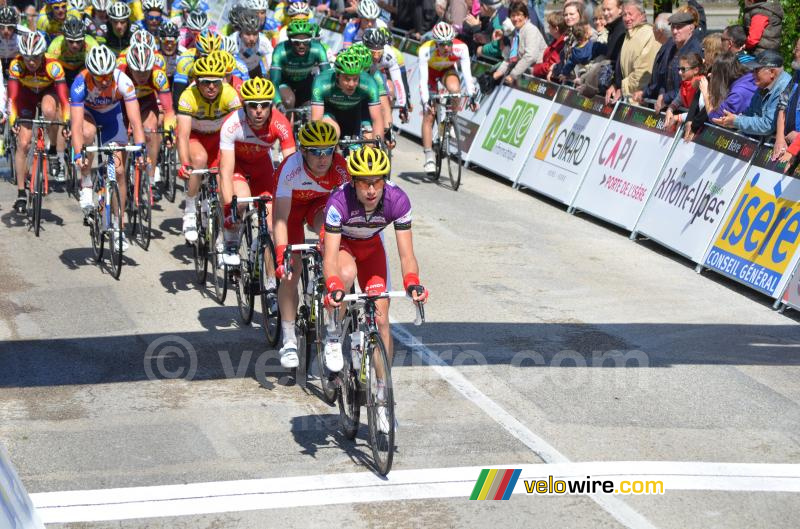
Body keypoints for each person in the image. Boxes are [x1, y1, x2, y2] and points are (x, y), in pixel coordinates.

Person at [322, 145, 428, 432]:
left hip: (371, 249)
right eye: (365, 183)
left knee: (381, 321)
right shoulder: (338, 202)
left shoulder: (397, 200)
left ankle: (382, 398)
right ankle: (333, 333)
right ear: (353, 182)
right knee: (345, 273)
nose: (371, 190)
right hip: (341, 246)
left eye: (377, 181)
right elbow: (330, 259)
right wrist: (332, 285)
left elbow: (407, 255)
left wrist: (412, 281)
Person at [272, 120, 350, 369]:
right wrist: (282, 254)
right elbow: (281, 218)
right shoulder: (290, 168)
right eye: (316, 151)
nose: (323, 157)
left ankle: (331, 325)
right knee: (291, 272)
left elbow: (342, 213)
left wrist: (328, 240)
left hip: (319, 206)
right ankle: (289, 338)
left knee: (331, 237)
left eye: (328, 150)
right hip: (291, 212)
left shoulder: (340, 169)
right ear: (303, 151)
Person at [70, 44, 147, 252]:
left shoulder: (123, 81)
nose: (104, 81)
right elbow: (75, 126)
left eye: (107, 76)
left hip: (113, 118)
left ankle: (118, 225)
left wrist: (140, 148)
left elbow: (135, 120)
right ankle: (86, 181)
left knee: (120, 171)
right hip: (89, 115)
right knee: (87, 133)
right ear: (90, 73)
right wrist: (78, 153)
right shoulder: (80, 83)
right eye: (99, 77)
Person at [218, 77, 296, 265]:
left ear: (271, 106)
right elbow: (226, 172)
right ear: (244, 106)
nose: (259, 111)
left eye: (264, 105)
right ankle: (230, 239)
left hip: (262, 168)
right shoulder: (232, 124)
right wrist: (230, 209)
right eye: (253, 105)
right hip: (238, 166)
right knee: (241, 199)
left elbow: (292, 166)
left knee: (271, 225)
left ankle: (267, 278)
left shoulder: (280, 123)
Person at [175, 52, 242, 243]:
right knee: (198, 160)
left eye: (216, 82)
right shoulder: (188, 95)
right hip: (196, 138)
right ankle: (189, 208)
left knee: (224, 181)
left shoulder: (230, 94)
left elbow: (239, 127)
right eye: (205, 82)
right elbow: (183, 134)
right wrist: (184, 163)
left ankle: (223, 233)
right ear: (196, 81)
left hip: (220, 138)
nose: (211, 87)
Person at [9, 31, 70, 215]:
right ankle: (21, 193)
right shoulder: (17, 66)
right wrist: (13, 120)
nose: (31, 62)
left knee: (50, 111)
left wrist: (66, 121)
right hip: (25, 96)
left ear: (42, 54)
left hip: (47, 92)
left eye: (35, 57)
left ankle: (52, 150)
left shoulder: (54, 67)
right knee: (23, 143)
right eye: (27, 57)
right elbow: (12, 99)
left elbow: (64, 100)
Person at [118, 42, 175, 203]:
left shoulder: (158, 76)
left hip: (146, 103)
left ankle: (150, 179)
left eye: (146, 72)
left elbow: (169, 109)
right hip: (122, 103)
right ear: (130, 67)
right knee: (121, 138)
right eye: (138, 71)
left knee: (151, 130)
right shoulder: (120, 73)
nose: (142, 76)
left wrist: (170, 131)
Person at [418, 21, 477, 174]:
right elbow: (422, 80)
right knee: (429, 115)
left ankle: (449, 122)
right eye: (442, 44)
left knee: (456, 90)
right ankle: (429, 156)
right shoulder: (425, 50)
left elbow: (467, 76)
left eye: (448, 43)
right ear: (435, 43)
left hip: (447, 71)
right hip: (430, 75)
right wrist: (426, 101)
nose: (446, 48)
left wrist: (472, 96)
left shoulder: (461, 48)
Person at [310, 48, 384, 141]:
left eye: (355, 79)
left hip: (354, 112)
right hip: (330, 112)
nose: (351, 84)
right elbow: (316, 120)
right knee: (332, 134)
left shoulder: (369, 83)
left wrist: (378, 148)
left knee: (368, 143)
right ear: (337, 75)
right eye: (346, 79)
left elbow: (377, 119)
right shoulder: (322, 81)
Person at [712, 49, 790, 137]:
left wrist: (736, 121)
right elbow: (750, 113)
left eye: (756, 70)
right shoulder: (763, 84)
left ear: (772, 72)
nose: (753, 74)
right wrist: (731, 121)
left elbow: (767, 126)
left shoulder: (784, 88)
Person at [605, 1, 659, 104]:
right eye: (624, 15)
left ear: (642, 15)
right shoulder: (629, 33)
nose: (626, 18)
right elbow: (621, 67)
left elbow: (643, 71)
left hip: (639, 101)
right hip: (626, 98)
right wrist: (615, 85)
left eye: (630, 14)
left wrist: (622, 87)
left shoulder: (649, 34)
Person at [270, 18, 329, 111]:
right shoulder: (280, 50)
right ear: (289, 40)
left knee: (310, 109)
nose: (301, 46)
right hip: (285, 82)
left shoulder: (318, 49)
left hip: (305, 82)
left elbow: (327, 77)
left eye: (306, 42)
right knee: (288, 102)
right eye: (296, 42)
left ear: (311, 40)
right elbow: (274, 82)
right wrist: (278, 103)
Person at [491, 2, 545, 86]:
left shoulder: (530, 30)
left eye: (519, 15)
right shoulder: (515, 33)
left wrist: (513, 75)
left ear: (526, 16)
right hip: (526, 73)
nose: (516, 18)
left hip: (539, 75)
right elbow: (511, 57)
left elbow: (531, 56)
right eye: (513, 15)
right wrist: (497, 73)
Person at [46, 15, 98, 86]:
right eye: (70, 41)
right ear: (64, 38)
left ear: (84, 38)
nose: (75, 45)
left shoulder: (93, 45)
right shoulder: (55, 47)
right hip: (63, 70)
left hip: (82, 68)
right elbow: (49, 70)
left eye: (79, 41)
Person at [231, 10, 272, 80]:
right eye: (247, 34)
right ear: (240, 32)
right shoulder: (232, 41)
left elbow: (272, 66)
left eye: (255, 34)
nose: (252, 38)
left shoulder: (264, 41)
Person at [532, 11, 566, 78]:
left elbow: (551, 65)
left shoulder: (560, 45)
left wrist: (535, 69)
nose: (548, 28)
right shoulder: (556, 40)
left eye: (550, 26)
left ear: (556, 29)